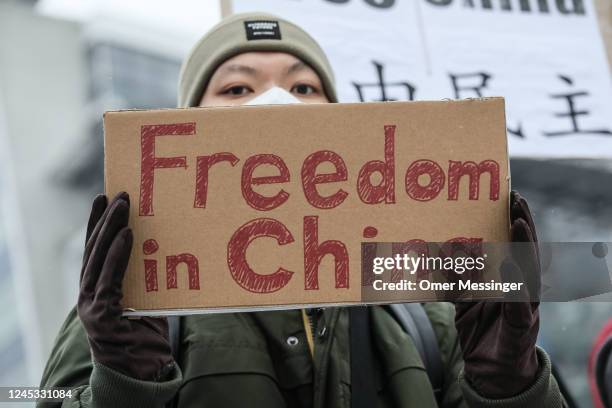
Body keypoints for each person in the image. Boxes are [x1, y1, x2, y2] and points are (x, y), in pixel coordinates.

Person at [38, 12, 566, 408]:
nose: (277, 101)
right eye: (238, 87)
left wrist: (508, 384)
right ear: (191, 127)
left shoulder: (423, 313)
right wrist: (126, 383)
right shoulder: (131, 310)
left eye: (304, 87)